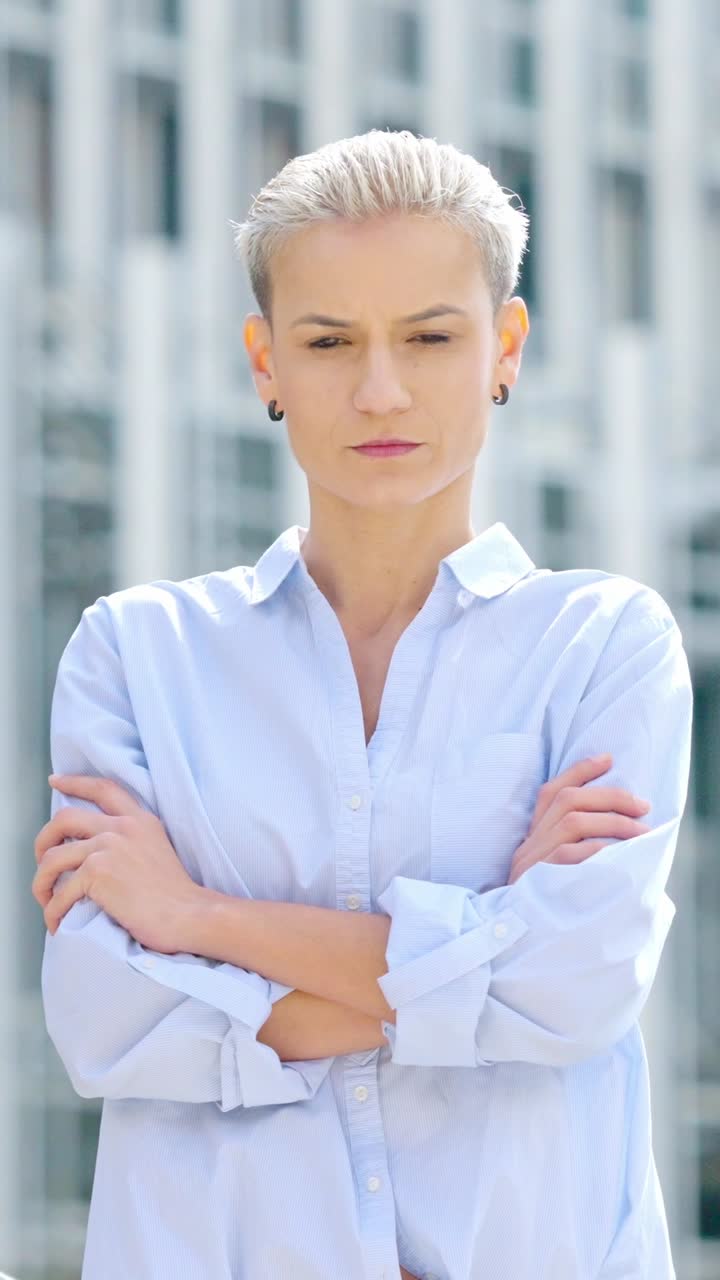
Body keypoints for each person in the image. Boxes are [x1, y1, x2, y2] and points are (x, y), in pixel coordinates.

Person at [36, 130, 692, 1279]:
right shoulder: (138, 654)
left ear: (506, 346)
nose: (379, 389)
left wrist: (195, 917)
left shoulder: (603, 647)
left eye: (430, 337)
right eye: (329, 340)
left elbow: (577, 984)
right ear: (264, 362)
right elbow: (106, 1019)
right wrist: (485, 951)